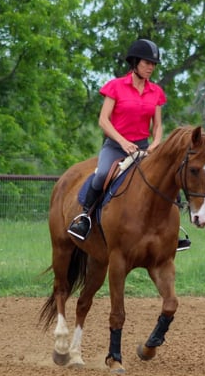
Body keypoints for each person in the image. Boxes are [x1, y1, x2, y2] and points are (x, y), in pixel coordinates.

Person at [68, 39, 191, 251]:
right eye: (147, 63)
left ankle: (173, 230)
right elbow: (103, 120)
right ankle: (84, 217)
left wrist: (156, 144)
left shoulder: (156, 92)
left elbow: (158, 125)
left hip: (144, 147)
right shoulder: (115, 87)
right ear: (134, 63)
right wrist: (123, 142)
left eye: (153, 64)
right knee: (101, 174)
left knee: (169, 179)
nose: (151, 67)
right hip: (116, 146)